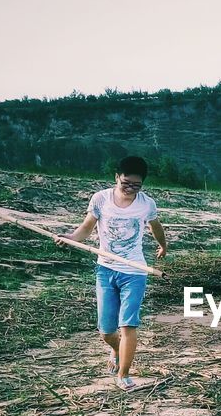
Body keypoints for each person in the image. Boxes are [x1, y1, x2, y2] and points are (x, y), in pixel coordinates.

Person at [57, 155, 167, 391]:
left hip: (135, 272)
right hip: (106, 269)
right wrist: (71, 238)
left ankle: (124, 374)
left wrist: (163, 245)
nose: (130, 189)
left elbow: (155, 226)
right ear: (116, 177)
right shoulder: (100, 199)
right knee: (107, 330)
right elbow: (87, 227)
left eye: (136, 185)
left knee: (128, 325)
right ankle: (115, 348)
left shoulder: (147, 204)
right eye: (125, 183)